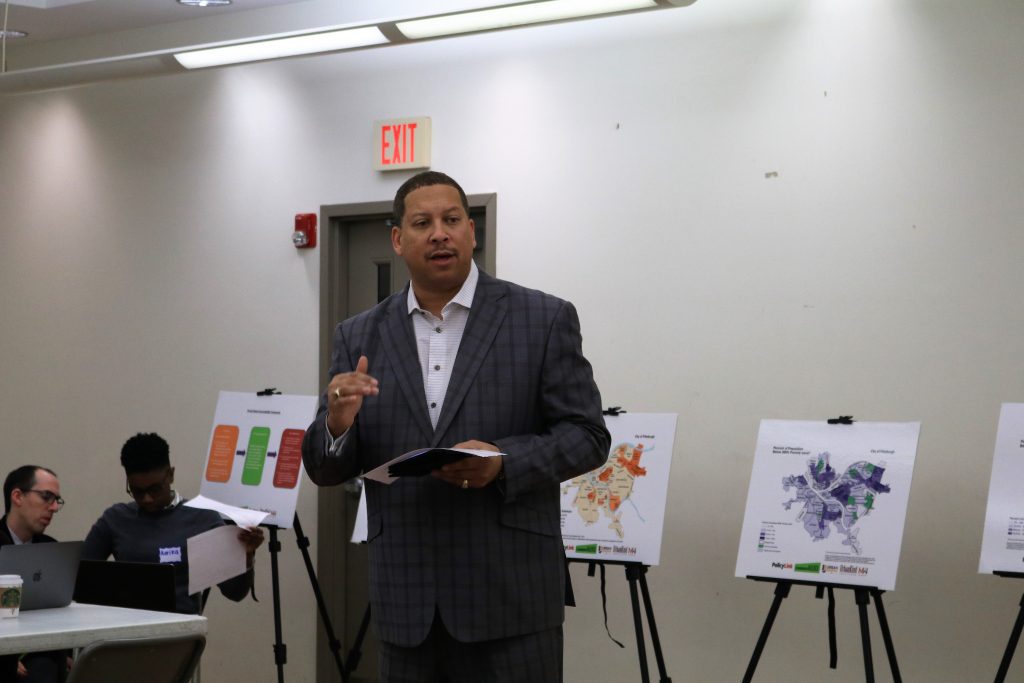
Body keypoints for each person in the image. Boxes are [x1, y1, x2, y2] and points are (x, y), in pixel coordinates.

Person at [302, 170, 610, 682]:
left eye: (451, 220)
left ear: (471, 230)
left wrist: (503, 462)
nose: (439, 234)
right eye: (422, 223)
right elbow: (325, 469)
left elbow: (588, 436)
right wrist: (336, 423)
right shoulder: (359, 334)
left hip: (512, 598)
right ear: (398, 239)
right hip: (407, 603)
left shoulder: (542, 318)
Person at [82, 432, 264, 614]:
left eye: (154, 489)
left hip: (181, 627)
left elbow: (234, 592)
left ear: (170, 475)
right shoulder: (115, 519)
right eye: (137, 491)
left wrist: (246, 556)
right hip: (127, 625)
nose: (147, 499)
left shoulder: (201, 518)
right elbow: (79, 575)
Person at [1, 466, 68, 683]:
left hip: (42, 648)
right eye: (46, 497)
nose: (54, 507)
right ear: (17, 496)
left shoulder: (53, 550)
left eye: (57, 500)